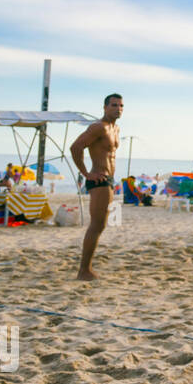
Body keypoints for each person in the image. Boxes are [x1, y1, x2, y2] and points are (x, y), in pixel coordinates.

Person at [70, 93, 123, 281]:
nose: (118, 109)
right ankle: (84, 270)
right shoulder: (98, 127)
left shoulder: (115, 129)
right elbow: (76, 147)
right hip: (99, 180)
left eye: (121, 106)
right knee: (96, 225)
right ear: (105, 107)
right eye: (114, 105)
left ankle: (86, 269)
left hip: (108, 181)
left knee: (100, 225)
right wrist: (86, 173)